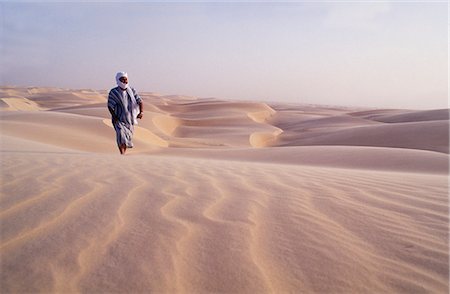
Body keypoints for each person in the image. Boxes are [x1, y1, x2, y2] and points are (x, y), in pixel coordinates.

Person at [108, 71, 143, 154]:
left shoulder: (132, 90)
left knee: (127, 137)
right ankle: (122, 154)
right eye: (122, 79)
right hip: (118, 119)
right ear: (118, 80)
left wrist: (141, 112)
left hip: (130, 120)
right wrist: (114, 116)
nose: (124, 81)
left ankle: (123, 154)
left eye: (126, 79)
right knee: (121, 135)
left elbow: (140, 101)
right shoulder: (114, 92)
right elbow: (110, 105)